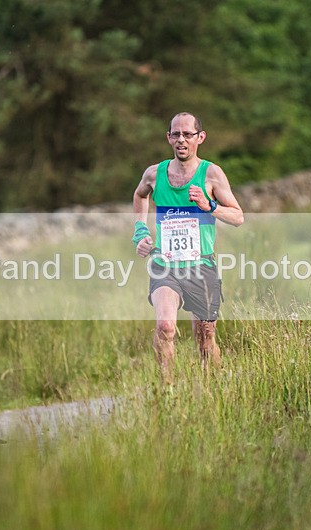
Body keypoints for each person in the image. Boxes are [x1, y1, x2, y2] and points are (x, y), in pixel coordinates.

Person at [132, 112, 244, 385]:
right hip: (165, 264)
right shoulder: (154, 174)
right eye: (176, 134)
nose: (181, 140)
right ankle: (169, 394)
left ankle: (212, 390)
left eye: (188, 134)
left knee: (205, 337)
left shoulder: (212, 174)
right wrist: (140, 231)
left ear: (200, 138)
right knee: (165, 326)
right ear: (168, 137)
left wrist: (210, 206)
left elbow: (238, 217)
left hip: (200, 265)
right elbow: (139, 195)